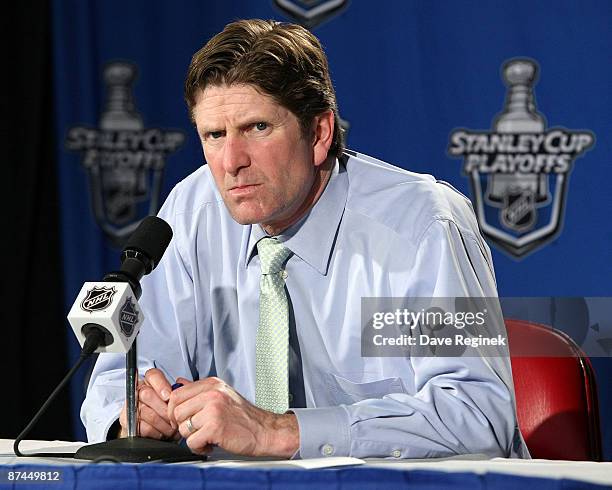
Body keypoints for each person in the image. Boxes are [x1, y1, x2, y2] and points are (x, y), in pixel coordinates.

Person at [82, 19, 529, 459]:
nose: (232, 161)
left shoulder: (422, 225)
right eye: (214, 135)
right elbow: (116, 378)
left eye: (257, 128)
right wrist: (134, 412)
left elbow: (476, 413)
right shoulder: (190, 212)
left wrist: (279, 431)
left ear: (319, 134)